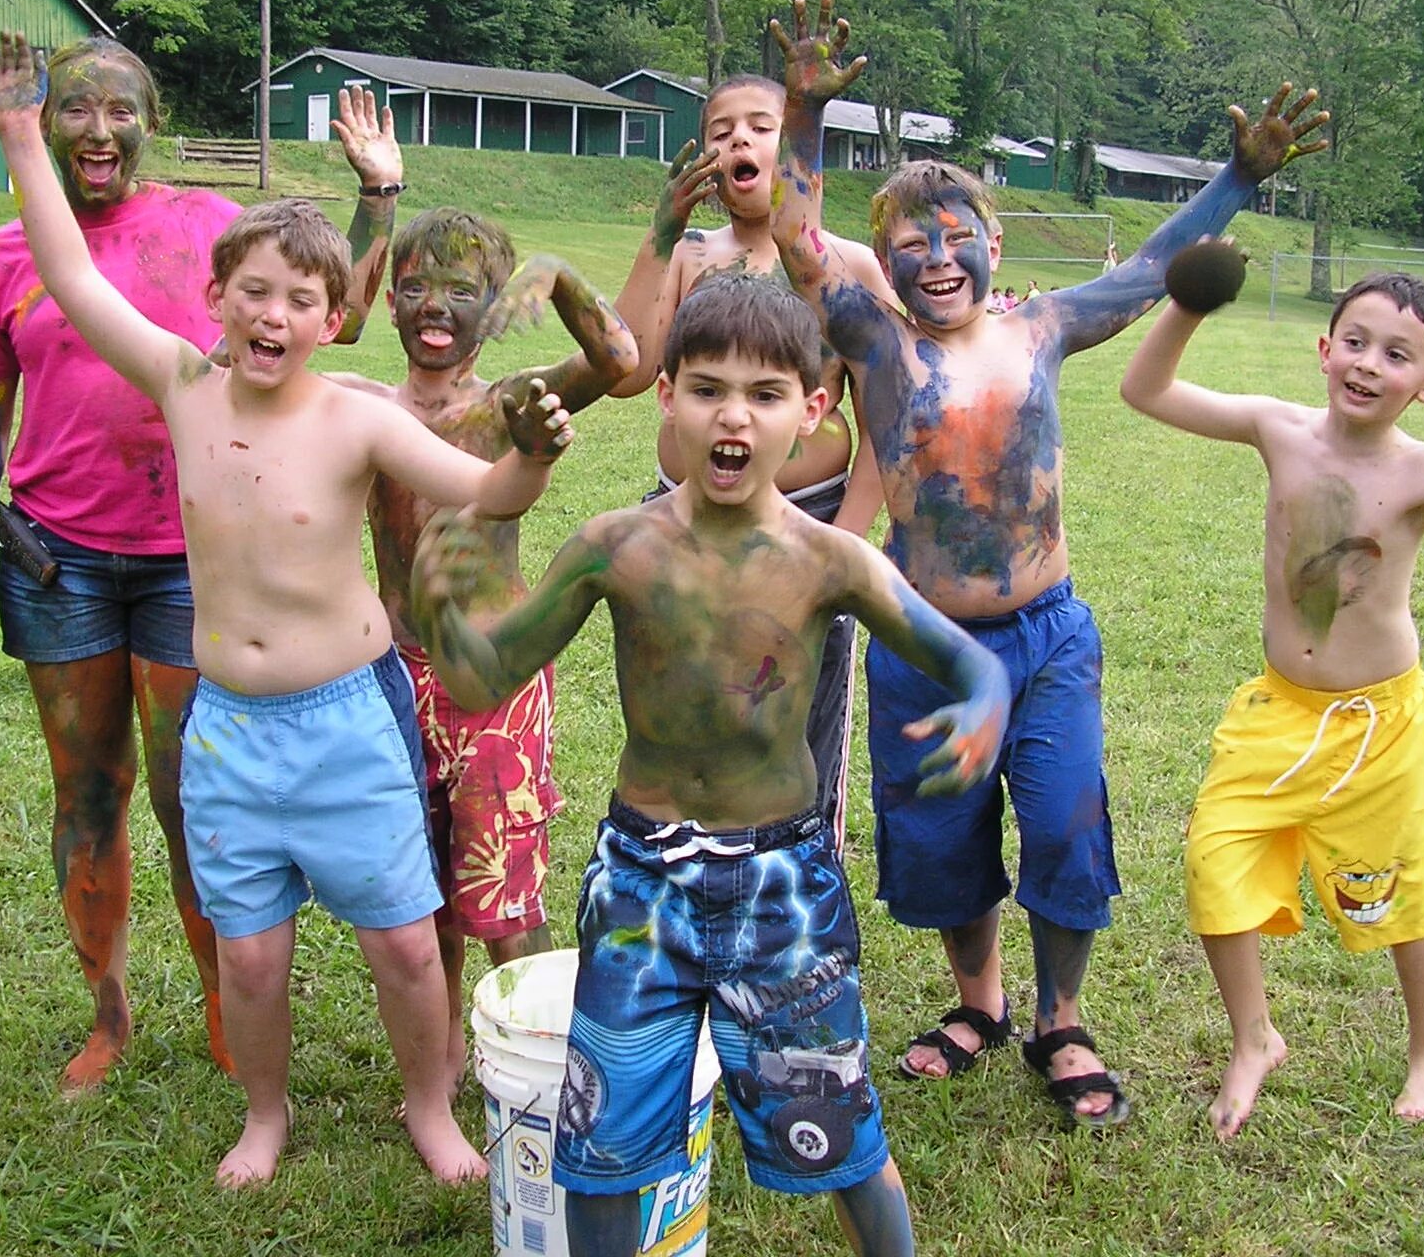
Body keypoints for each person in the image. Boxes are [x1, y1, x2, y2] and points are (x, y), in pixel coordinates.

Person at [0, 32, 572, 1186]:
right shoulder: (183, 386)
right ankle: (263, 1115)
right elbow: (71, 276)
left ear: (327, 315)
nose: (274, 315)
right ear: (218, 298)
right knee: (250, 958)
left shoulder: (354, 416)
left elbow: (485, 490)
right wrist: (14, 130)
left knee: (403, 939)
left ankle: (429, 1110)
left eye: (302, 299)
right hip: (231, 729)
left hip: (350, 716)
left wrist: (535, 459)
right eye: (254, 292)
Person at [764, 0, 1328, 1127]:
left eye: (954, 235)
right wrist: (802, 109)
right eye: (909, 245)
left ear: (993, 243)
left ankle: (1058, 1017)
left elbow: (1165, 260)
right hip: (921, 642)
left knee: (1066, 819)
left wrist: (1239, 180)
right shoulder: (871, 342)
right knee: (937, 841)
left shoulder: (1043, 328)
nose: (935, 257)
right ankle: (977, 1001)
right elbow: (788, 231)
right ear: (881, 263)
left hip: (1045, 634)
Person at [411, 275, 1010, 1257]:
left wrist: (982, 707)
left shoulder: (830, 562)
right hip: (640, 888)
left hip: (781, 889)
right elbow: (485, 675)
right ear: (667, 398)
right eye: (706, 388)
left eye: (765, 395)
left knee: (839, 1136)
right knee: (603, 1149)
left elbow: (970, 660)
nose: (732, 415)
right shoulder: (614, 548)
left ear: (811, 410)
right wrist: (441, 613)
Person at [0, 39, 402, 1095]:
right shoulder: (1, 255)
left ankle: (226, 1013)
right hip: (58, 565)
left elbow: (335, 303)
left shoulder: (202, 228)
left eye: (120, 109)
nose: (97, 130)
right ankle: (105, 1016)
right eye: (75, 110)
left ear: (155, 117)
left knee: (196, 798)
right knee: (85, 796)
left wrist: (376, 200)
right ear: (45, 121)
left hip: (194, 564)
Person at [1121, 268, 1424, 1136]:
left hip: (1378, 727)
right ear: (1323, 349)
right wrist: (1190, 303)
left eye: (1396, 355)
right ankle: (1255, 1037)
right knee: (1214, 857)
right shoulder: (1280, 431)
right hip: (1279, 712)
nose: (1366, 364)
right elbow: (1145, 389)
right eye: (1354, 342)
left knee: (1392, 894)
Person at [326, 206, 637, 1078]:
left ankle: (543, 1064)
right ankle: (446, 1056)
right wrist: (373, 204)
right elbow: (294, 335)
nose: (435, 306)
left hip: (492, 682)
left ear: (496, 304)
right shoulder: (359, 407)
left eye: (463, 292)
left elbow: (619, 360)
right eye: (415, 286)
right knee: (418, 891)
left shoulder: (505, 405)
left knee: (503, 895)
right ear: (388, 301)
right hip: (391, 677)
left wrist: (558, 272)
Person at [610, 77, 891, 849]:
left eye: (758, 125)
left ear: (794, 145)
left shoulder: (848, 267)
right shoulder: (691, 257)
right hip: (683, 523)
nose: (736, 140)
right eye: (719, 129)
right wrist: (659, 236)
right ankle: (682, 855)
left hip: (812, 520)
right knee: (684, 705)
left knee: (800, 717)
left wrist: (847, 544)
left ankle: (803, 868)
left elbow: (881, 426)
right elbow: (625, 369)